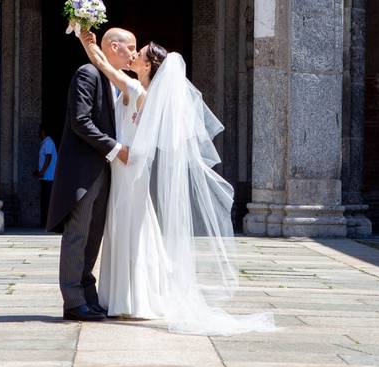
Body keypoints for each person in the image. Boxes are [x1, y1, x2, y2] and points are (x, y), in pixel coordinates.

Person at [78, 29, 274, 335]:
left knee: (130, 228)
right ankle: (130, 297)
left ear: (147, 66)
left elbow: (104, 65)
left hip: (128, 169)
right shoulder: (141, 91)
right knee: (133, 229)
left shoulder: (135, 88)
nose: (133, 55)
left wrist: (83, 38)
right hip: (127, 169)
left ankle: (131, 300)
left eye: (138, 53)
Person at [46, 27, 136, 322]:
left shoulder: (115, 81)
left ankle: (88, 294)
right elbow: (80, 120)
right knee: (78, 234)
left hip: (106, 171)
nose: (133, 54)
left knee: (94, 235)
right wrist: (115, 149)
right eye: (129, 47)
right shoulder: (87, 74)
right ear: (113, 46)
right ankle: (72, 300)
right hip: (84, 170)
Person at [33, 124, 58, 227]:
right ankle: (46, 222)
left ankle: (47, 223)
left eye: (39, 130)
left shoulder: (48, 142)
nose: (38, 132)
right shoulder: (46, 142)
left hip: (48, 177)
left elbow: (48, 158)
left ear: (43, 131)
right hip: (46, 177)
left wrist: (41, 172)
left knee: (47, 201)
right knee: (45, 200)